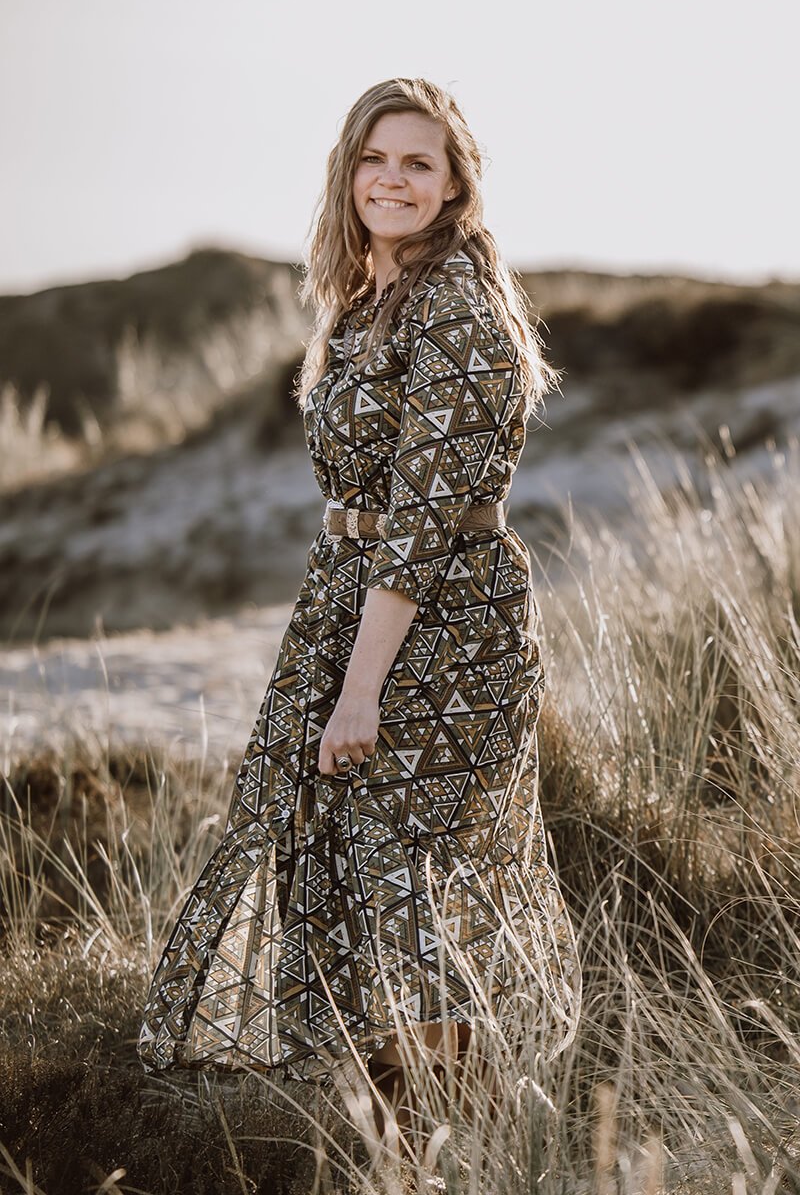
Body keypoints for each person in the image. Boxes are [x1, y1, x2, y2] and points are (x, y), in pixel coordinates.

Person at [137, 76, 581, 1154]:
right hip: (355, 597)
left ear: (453, 186)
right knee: (343, 865)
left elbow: (426, 520)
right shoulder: (368, 299)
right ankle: (394, 1140)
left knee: (405, 877)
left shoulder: (456, 311)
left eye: (417, 163)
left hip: (439, 623)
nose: (392, 178)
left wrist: (360, 689)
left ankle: (453, 1142)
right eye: (374, 160)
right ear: (348, 175)